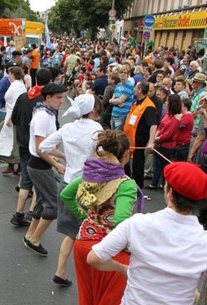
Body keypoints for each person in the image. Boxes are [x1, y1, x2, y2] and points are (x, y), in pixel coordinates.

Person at [87, 162, 207, 305]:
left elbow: (94, 258)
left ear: (169, 192)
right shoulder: (203, 241)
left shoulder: (137, 224)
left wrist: (122, 268)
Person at [61, 129, 139, 305]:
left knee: (87, 298)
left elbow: (67, 194)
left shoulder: (91, 176)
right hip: (111, 251)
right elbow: (121, 221)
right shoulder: (126, 184)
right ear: (127, 154)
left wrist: (86, 219)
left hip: (83, 243)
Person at [39, 94, 103, 287]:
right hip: (88, 186)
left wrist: (65, 156)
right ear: (93, 110)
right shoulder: (97, 129)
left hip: (67, 184)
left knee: (72, 233)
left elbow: (43, 146)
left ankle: (61, 271)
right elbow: (100, 156)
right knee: (92, 231)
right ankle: (91, 275)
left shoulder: (67, 127)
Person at [23, 83, 67, 256]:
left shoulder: (46, 113)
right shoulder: (43, 116)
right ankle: (34, 239)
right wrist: (57, 164)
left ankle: (30, 235)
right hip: (39, 166)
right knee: (54, 205)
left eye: (62, 97)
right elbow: (40, 148)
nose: (61, 101)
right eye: (58, 97)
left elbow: (47, 147)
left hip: (41, 164)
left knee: (42, 201)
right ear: (47, 98)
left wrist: (63, 156)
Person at [10, 68, 52, 227]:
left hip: (23, 142)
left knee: (25, 179)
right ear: (49, 81)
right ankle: (31, 212)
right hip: (38, 146)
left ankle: (18, 213)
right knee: (38, 182)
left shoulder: (23, 96)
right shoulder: (46, 101)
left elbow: (14, 118)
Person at [123, 80, 158, 189]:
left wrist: (151, 142)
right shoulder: (137, 103)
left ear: (140, 90)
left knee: (138, 164)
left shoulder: (148, 106)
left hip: (139, 140)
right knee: (127, 162)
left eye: (136, 88)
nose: (134, 90)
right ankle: (127, 182)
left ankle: (137, 187)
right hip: (129, 138)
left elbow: (153, 125)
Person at [0, 66, 26, 174]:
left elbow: (17, 103)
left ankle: (16, 164)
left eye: (9, 73)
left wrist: (11, 118)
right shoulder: (18, 84)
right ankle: (12, 164)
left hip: (13, 117)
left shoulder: (17, 86)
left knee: (13, 141)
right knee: (8, 139)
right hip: (11, 115)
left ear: (12, 74)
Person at [149, 94, 182, 189]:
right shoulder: (168, 114)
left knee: (165, 166)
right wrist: (156, 135)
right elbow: (161, 126)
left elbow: (168, 134)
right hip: (160, 143)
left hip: (167, 146)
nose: (166, 103)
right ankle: (154, 183)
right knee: (156, 164)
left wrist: (156, 138)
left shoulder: (176, 119)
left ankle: (164, 184)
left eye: (167, 102)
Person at [109, 66, 134, 130]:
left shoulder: (129, 85)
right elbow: (111, 100)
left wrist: (114, 101)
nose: (123, 74)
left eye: (125, 72)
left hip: (122, 115)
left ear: (128, 75)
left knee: (118, 136)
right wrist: (114, 101)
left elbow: (120, 100)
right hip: (114, 113)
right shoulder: (119, 85)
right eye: (121, 72)